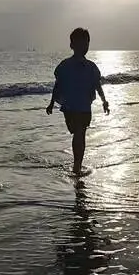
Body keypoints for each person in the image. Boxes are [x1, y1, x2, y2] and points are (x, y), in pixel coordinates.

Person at [46, 28, 110, 175]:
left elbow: (97, 85)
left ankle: (77, 165)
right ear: (72, 45)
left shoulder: (91, 67)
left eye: (86, 44)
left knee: (80, 132)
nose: (84, 47)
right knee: (78, 133)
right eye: (80, 44)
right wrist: (52, 102)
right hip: (69, 107)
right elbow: (58, 85)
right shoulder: (65, 65)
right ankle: (77, 164)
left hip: (84, 107)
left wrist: (104, 101)